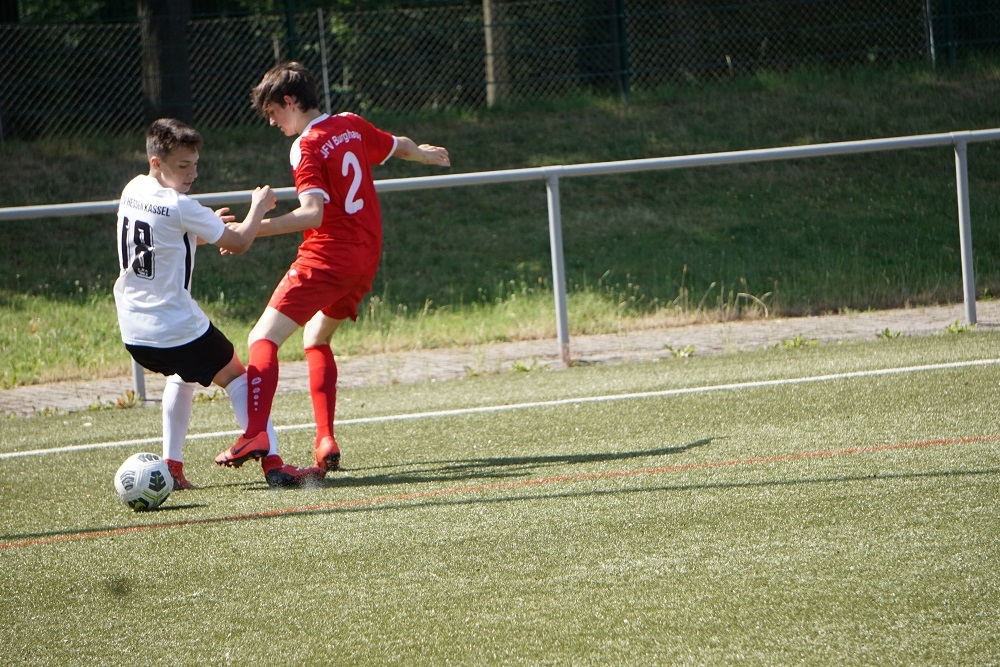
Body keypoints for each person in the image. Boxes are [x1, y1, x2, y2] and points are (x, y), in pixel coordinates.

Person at [213, 61, 451, 473]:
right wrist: (425, 155)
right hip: (366, 255)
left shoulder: (305, 145)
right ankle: (325, 440)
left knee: (261, 338)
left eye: (273, 112)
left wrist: (250, 231)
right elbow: (399, 145)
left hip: (329, 255)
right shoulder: (350, 124)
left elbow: (312, 214)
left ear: (290, 101)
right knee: (317, 336)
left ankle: (255, 433)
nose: (272, 121)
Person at [114, 118, 323, 489]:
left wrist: (205, 229)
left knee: (183, 373)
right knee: (238, 377)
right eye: (183, 166)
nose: (192, 173)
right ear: (156, 163)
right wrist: (258, 208)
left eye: (195, 164)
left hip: (134, 332)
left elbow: (165, 239)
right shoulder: (180, 205)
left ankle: (172, 467)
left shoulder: (133, 189)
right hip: (174, 325)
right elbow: (239, 243)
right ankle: (273, 465)